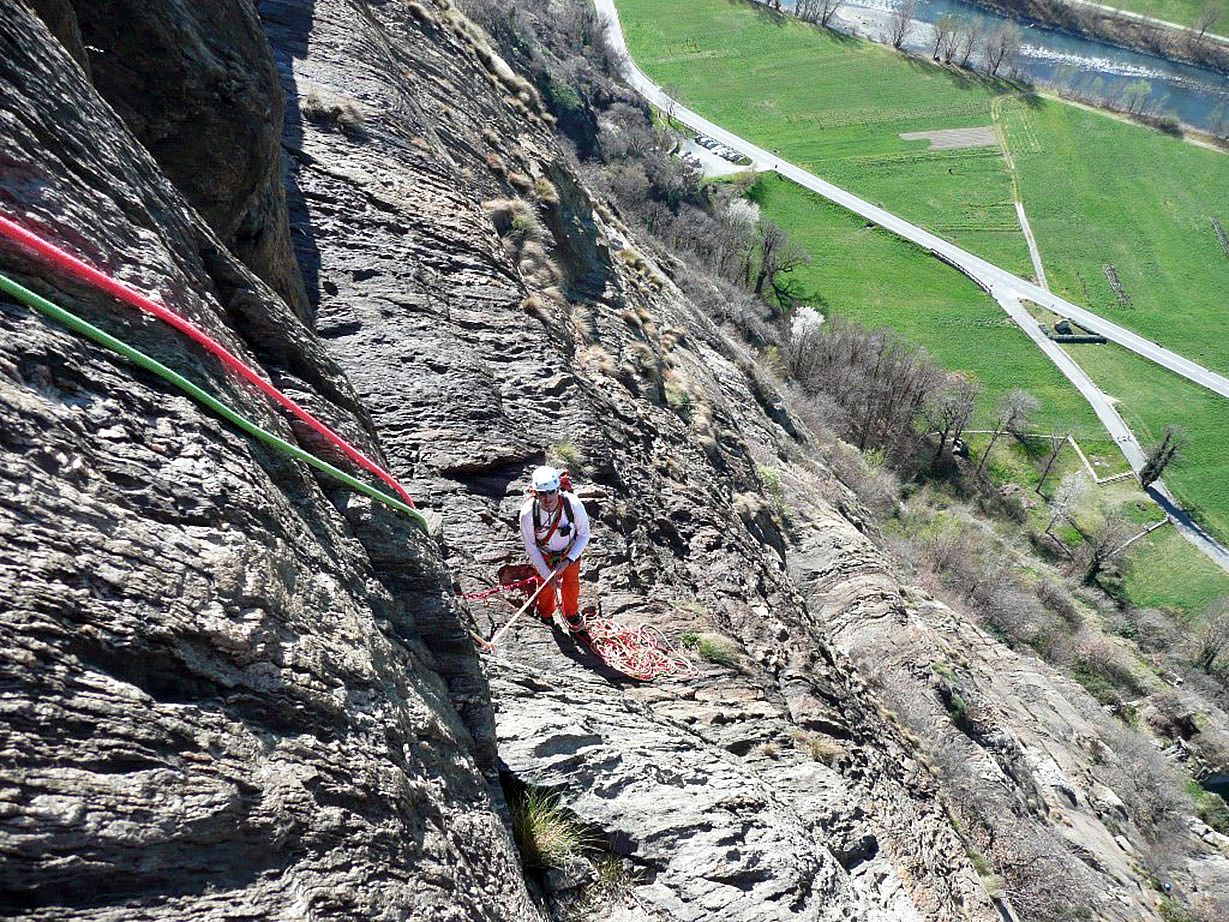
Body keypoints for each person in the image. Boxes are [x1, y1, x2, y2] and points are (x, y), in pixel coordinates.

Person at [520, 465, 590, 637]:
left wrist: (568, 561)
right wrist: (546, 574)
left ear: (558, 489)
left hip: (569, 551)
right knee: (545, 586)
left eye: (551, 492)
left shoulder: (572, 504)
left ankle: (571, 614)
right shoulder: (528, 513)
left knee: (571, 583)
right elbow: (531, 547)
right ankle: (546, 614)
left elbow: (584, 535)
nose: (547, 497)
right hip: (544, 553)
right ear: (535, 493)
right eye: (542, 493)